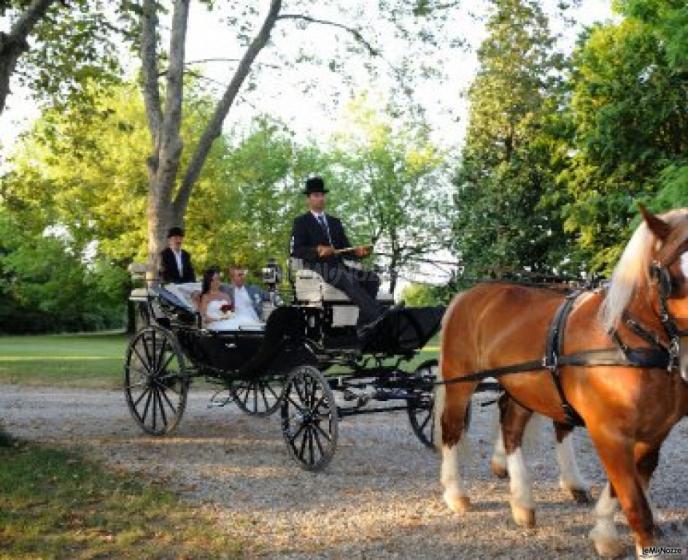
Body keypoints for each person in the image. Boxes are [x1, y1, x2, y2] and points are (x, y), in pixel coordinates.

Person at [290, 176, 385, 338]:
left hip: (338, 266)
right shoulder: (301, 222)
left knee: (372, 279)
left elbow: (345, 249)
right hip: (318, 268)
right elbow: (297, 250)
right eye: (316, 195)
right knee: (346, 278)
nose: (320, 198)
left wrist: (357, 253)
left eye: (321, 195)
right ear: (309, 199)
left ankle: (363, 325)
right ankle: (378, 315)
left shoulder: (335, 222)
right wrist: (317, 250)